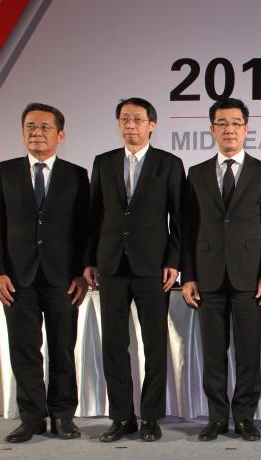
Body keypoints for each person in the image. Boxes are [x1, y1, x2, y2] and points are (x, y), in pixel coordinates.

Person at [0, 103, 89, 443]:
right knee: (25, 350)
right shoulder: (4, 171)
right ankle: (31, 418)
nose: (36, 133)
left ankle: (63, 416)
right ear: (22, 132)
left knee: (63, 350)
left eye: (45, 127)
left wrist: (81, 273)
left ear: (60, 135)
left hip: (63, 279)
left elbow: (84, 229)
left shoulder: (77, 175)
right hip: (17, 280)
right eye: (30, 126)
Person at [84, 97, 185, 442]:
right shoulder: (103, 162)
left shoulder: (169, 164)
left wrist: (173, 261)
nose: (130, 125)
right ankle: (121, 417)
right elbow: (93, 216)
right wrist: (90, 259)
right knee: (114, 345)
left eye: (137, 119)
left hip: (152, 267)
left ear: (151, 125)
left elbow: (180, 219)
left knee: (154, 345)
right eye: (124, 119)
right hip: (111, 266)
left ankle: (151, 417)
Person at [181, 98, 261, 441]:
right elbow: (188, 229)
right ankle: (217, 418)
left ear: (246, 129)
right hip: (207, 276)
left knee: (248, 353)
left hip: (249, 277)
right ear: (212, 129)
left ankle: (245, 417)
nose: (229, 129)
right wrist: (188, 276)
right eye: (222, 123)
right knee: (213, 353)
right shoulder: (196, 173)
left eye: (236, 123)